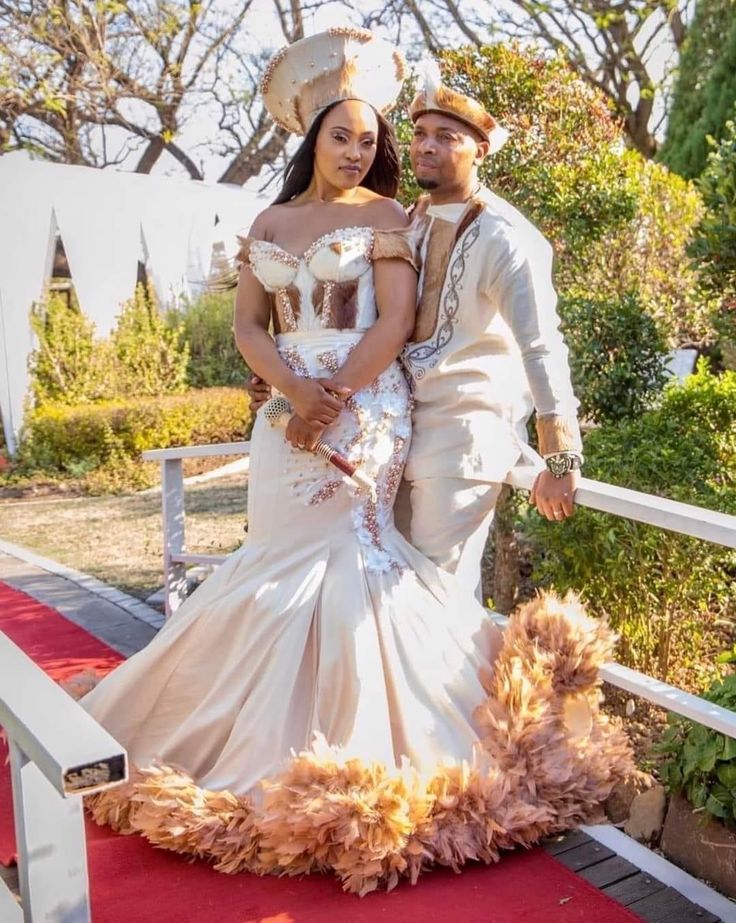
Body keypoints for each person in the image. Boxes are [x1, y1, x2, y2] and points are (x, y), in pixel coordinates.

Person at [78, 29, 632, 896]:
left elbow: (422, 327)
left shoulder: (412, 223)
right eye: (349, 135)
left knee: (372, 572)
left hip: (376, 413)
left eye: (373, 139)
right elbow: (248, 327)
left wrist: (333, 398)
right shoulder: (292, 220)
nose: (364, 150)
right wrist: (291, 395)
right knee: (271, 566)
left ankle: (404, 748)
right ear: (315, 139)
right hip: (286, 413)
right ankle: (243, 738)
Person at [249, 64, 583, 596]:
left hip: (463, 441)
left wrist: (562, 456)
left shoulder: (505, 237)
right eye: (421, 133)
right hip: (394, 433)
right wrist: (286, 381)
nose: (426, 146)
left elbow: (542, 346)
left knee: (433, 597)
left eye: (446, 137)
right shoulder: (413, 216)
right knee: (377, 590)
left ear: (479, 149)